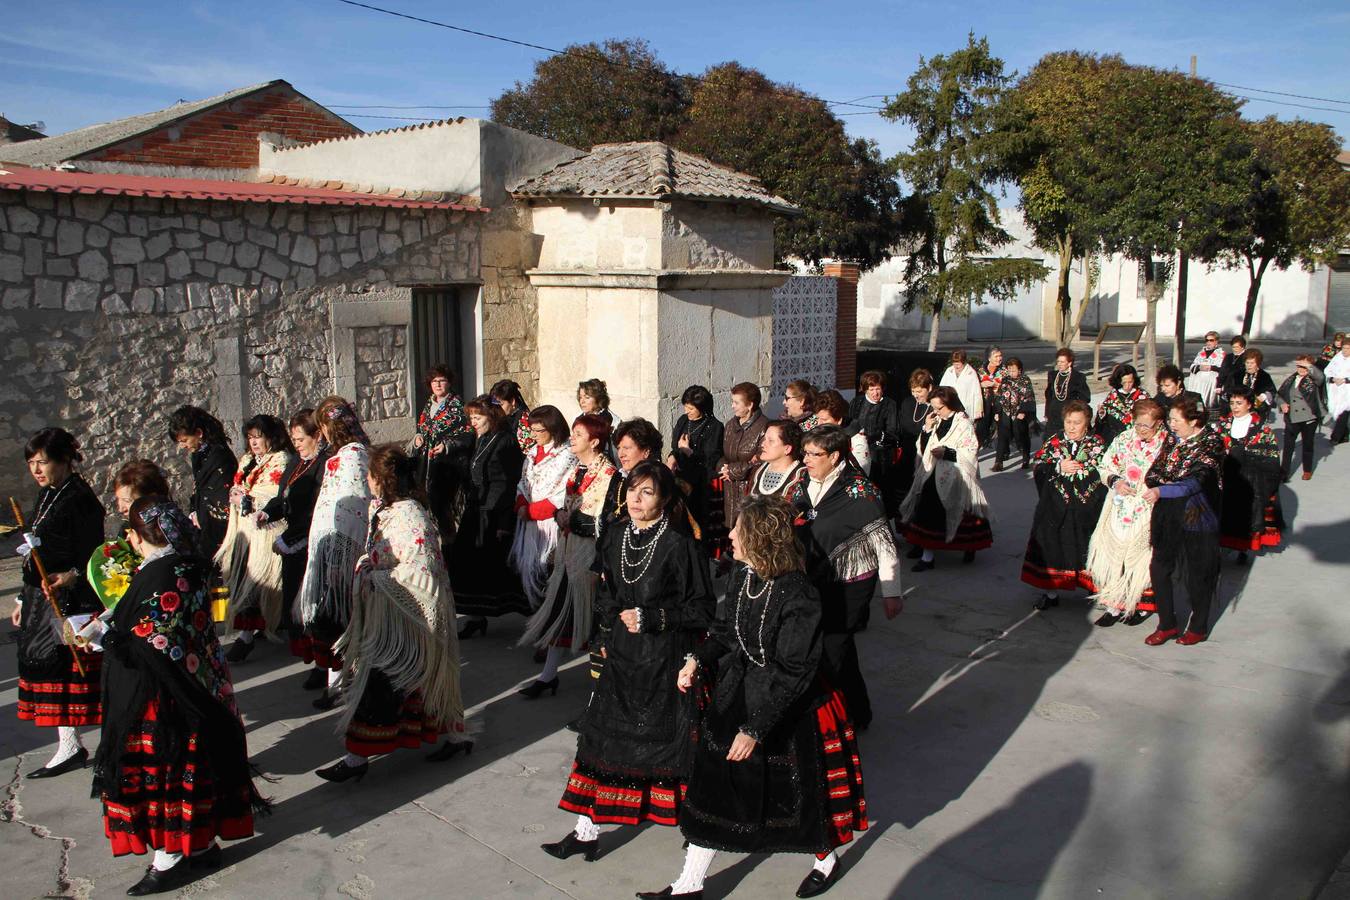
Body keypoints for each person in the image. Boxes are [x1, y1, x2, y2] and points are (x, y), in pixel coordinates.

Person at [648, 496, 869, 900]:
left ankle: (825, 859)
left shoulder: (800, 594)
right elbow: (724, 632)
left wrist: (755, 729)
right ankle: (688, 885)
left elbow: (795, 670)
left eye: (738, 530)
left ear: (761, 539)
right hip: (739, 691)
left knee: (798, 794)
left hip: (790, 707)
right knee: (714, 787)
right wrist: (697, 659)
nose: (729, 535)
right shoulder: (741, 575)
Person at [542, 462, 714, 862]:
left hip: (664, 659)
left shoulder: (680, 543)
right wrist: (605, 630)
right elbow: (608, 592)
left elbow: (704, 610)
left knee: (669, 745)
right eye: (632, 490)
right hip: (621, 655)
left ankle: (695, 825)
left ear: (665, 499)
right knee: (603, 739)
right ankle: (587, 829)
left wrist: (653, 618)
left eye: (647, 493)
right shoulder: (616, 534)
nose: (636, 500)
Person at [94, 497, 266, 895]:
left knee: (169, 776)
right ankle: (201, 845)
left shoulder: (164, 573)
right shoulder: (188, 563)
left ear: (138, 537)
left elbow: (155, 639)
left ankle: (168, 859)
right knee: (194, 768)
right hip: (198, 685)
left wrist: (106, 638)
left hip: (166, 696)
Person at [316, 445, 468, 780]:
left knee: (381, 682)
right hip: (391, 612)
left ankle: (356, 760)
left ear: (383, 478)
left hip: (409, 614)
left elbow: (423, 570)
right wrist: (367, 566)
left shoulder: (409, 515)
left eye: (370, 475)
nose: (367, 481)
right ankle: (455, 736)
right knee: (415, 680)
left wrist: (377, 575)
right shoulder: (385, 510)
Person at [786, 426, 903, 733]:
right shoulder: (801, 485)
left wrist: (892, 592)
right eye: (805, 453)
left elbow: (885, 547)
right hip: (810, 579)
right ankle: (859, 711)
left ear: (835, 456)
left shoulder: (861, 492)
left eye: (814, 454)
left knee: (832, 650)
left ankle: (832, 724)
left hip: (850, 584)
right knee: (840, 649)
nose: (807, 459)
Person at [12, 428, 105, 779]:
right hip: (43, 596)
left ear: (64, 461)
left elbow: (91, 555)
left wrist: (70, 576)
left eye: (43, 462)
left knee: (68, 674)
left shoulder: (79, 499)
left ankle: (84, 746)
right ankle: (69, 744)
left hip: (69, 601)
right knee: (50, 671)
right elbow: (36, 550)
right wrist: (24, 594)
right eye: (31, 463)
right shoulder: (49, 493)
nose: (36, 470)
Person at [518, 415, 616, 698]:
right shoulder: (578, 471)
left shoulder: (608, 475)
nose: (572, 438)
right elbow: (567, 505)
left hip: (589, 558)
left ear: (594, 442)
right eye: (572, 433)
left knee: (594, 626)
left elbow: (600, 519)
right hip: (568, 552)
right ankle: (549, 675)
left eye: (578, 434)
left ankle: (602, 692)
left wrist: (568, 519)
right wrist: (562, 515)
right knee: (561, 612)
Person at [295, 397, 372, 711]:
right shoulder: (340, 456)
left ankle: (342, 684)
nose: (321, 431)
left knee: (340, 620)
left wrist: (342, 558)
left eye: (323, 425)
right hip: (330, 551)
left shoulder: (352, 457)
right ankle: (337, 682)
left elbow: (354, 507)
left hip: (342, 554)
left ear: (331, 426)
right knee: (332, 621)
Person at [1142, 397, 1225, 646]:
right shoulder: (1172, 440)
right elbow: (1154, 472)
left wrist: (1162, 490)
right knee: (1159, 568)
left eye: (1176, 420)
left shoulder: (1212, 443)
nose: (1171, 425)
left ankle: (1198, 626)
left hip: (1196, 515)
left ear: (1194, 421)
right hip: (1168, 514)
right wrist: (1162, 486)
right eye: (1170, 419)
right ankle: (1167, 624)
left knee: (1198, 575)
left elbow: (1195, 482)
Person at [1085, 399, 1169, 628]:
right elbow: (1105, 466)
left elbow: (1176, 477)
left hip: (1150, 507)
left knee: (1142, 558)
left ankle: (1141, 605)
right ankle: (1113, 604)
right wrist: (1115, 481)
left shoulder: (1167, 444)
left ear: (1159, 423)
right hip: (1121, 505)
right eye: (1138, 424)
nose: (1141, 430)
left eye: (1147, 426)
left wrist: (1160, 490)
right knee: (1115, 554)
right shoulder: (1124, 439)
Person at [450, 398, 527, 638]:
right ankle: (475, 617)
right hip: (477, 510)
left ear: (491, 417)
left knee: (497, 568)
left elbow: (507, 483)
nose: (472, 422)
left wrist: (503, 522)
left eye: (477, 417)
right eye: (471, 417)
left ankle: (536, 620)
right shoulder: (482, 437)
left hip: (494, 514)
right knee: (469, 566)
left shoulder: (505, 442)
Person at [219, 414, 293, 661]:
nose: (253, 442)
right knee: (245, 579)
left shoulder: (281, 460)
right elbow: (240, 484)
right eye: (250, 437)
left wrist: (248, 499)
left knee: (259, 582)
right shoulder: (248, 460)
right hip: (245, 532)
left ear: (272, 437)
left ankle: (248, 635)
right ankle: (254, 629)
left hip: (267, 533)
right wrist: (237, 494)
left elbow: (276, 496)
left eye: (258, 437)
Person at [1021, 401, 1108, 610]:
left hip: (1088, 508)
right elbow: (1039, 465)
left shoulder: (1097, 444)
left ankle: (1094, 589)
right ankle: (1051, 593)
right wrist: (1059, 466)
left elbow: (1105, 471)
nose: (1071, 427)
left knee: (1087, 547)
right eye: (1068, 421)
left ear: (1087, 423)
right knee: (1051, 546)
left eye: (1077, 423)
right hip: (1055, 507)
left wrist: (1084, 475)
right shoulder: (1055, 441)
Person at [898, 387, 993, 570]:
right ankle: (927, 555)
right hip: (933, 471)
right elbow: (924, 447)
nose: (936, 412)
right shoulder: (935, 420)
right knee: (927, 509)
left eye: (939, 408)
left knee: (961, 512)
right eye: (934, 407)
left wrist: (947, 452)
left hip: (956, 474)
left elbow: (971, 450)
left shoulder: (963, 423)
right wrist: (926, 429)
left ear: (950, 405)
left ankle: (968, 546)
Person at [511, 405, 577, 610]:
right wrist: (522, 503)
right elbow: (524, 482)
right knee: (530, 571)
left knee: (550, 571)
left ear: (554, 429)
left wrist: (534, 511)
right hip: (530, 524)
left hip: (551, 523)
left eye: (540, 431)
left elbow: (564, 492)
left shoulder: (567, 455)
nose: (534, 435)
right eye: (532, 429)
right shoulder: (532, 453)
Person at [1216, 387, 1284, 564]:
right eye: (1232, 403)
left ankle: (1243, 548)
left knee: (1247, 514)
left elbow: (1271, 457)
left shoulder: (1262, 428)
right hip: (1227, 477)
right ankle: (1224, 544)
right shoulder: (1222, 425)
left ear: (1249, 404)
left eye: (1239, 403)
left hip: (1251, 481)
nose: (1235, 407)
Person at [410, 365, 474, 545]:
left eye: (442, 380)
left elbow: (468, 435)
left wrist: (447, 446)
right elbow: (423, 428)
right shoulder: (429, 404)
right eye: (434, 381)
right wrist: (418, 437)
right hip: (428, 465)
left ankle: (451, 545)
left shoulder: (458, 406)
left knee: (444, 507)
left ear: (449, 383)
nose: (437, 384)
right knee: (429, 504)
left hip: (448, 467)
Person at [167, 406, 238, 559]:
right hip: (204, 522)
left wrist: (204, 515)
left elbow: (220, 494)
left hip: (218, 526)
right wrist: (195, 512)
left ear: (199, 433)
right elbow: (199, 488)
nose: (183, 446)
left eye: (185, 440)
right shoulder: (198, 455)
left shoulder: (219, 457)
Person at [667, 384, 725, 537]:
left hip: (700, 483)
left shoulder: (715, 427)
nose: (687, 412)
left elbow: (711, 457)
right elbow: (675, 445)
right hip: (681, 479)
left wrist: (689, 452)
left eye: (691, 409)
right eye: (686, 407)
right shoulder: (683, 421)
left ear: (702, 407)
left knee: (698, 525)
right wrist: (675, 454)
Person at [847, 370, 901, 512]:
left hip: (880, 455)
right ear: (865, 389)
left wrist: (874, 437)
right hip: (858, 451)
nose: (875, 393)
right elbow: (849, 425)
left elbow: (892, 432)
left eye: (878, 389)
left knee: (881, 489)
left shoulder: (890, 404)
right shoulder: (857, 402)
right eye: (871, 389)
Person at [719, 381, 769, 529]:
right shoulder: (730, 425)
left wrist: (733, 470)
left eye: (736, 402)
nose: (732, 406)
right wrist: (724, 468)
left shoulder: (765, 427)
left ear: (750, 405)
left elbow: (761, 460)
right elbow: (723, 454)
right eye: (732, 401)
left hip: (749, 489)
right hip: (729, 489)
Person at [1277, 355, 1327, 481]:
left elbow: (1321, 377)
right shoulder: (1291, 379)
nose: (1301, 369)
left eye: (1304, 366)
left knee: (1307, 445)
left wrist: (1308, 365)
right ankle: (1284, 473)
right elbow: (1279, 394)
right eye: (1299, 366)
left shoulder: (1314, 380)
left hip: (1309, 418)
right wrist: (1282, 404)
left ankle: (1307, 470)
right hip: (1291, 417)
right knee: (1288, 446)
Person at [896, 369, 935, 503]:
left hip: (927, 453)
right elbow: (903, 426)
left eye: (919, 391)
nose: (916, 395)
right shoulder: (908, 403)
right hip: (907, 452)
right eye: (913, 391)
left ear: (929, 388)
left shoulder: (936, 406)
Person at [992, 356, 1036, 471]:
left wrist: (1023, 411)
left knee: (1022, 435)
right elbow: (999, 396)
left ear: (1019, 369)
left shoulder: (1025, 380)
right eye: (1009, 370)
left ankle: (1025, 458)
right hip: (1006, 411)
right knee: (1002, 436)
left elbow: (1029, 397)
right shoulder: (1005, 380)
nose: (1011, 372)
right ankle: (998, 461)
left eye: (1014, 370)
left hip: (1019, 412)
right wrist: (997, 411)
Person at [813, 389, 871, 474]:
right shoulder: (820, 433)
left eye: (824, 420)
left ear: (839, 420)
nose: (819, 423)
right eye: (817, 418)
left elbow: (860, 471)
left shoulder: (856, 439)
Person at [748, 419, 807, 500]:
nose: (763, 444)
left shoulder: (803, 477)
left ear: (787, 449)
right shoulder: (757, 471)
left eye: (771, 441)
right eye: (764, 439)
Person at [1094, 364, 1146, 446]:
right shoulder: (1113, 396)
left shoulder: (1143, 396)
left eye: (1130, 382)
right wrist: (1102, 414)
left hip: (1136, 439)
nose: (1127, 386)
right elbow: (1103, 420)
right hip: (1114, 438)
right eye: (1124, 382)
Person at [1043, 348, 1091, 438]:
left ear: (1069, 363)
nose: (1059, 364)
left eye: (1062, 362)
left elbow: (1085, 398)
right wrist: (1047, 412)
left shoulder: (1077, 377)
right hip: (1054, 415)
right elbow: (1049, 396)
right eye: (1058, 362)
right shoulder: (1052, 375)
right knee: (1051, 441)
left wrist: (1076, 411)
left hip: (1069, 414)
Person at [112, 460, 173, 527]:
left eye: (127, 501)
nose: (121, 509)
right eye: (118, 499)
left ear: (151, 500)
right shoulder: (126, 529)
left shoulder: (167, 530)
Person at [1228, 349, 1278, 423]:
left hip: (1257, 410)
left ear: (1257, 363)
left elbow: (1272, 391)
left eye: (1252, 363)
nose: (1249, 365)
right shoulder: (1237, 374)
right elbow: (1228, 390)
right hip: (1239, 409)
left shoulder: (1264, 376)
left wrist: (1264, 396)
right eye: (1247, 362)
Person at [940, 349, 984, 423]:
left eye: (958, 364)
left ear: (963, 362)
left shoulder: (971, 373)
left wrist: (978, 410)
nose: (956, 366)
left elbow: (977, 393)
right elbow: (941, 388)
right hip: (949, 406)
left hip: (965, 407)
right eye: (954, 363)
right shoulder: (949, 371)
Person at [491, 379, 533, 453]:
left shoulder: (525, 421)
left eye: (501, 405)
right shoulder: (502, 417)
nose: (496, 409)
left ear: (512, 401)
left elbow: (526, 453)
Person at [976, 346, 1006, 446]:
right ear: (989, 358)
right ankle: (982, 443)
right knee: (981, 427)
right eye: (996, 356)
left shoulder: (1005, 371)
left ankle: (1002, 452)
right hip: (985, 403)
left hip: (1000, 403)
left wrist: (995, 384)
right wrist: (981, 384)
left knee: (1002, 430)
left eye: (1000, 356)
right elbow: (973, 385)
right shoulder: (980, 370)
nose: (999, 358)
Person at [1188, 331, 1227, 409]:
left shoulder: (1221, 354)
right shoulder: (1201, 353)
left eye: (1211, 340)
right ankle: (1199, 409)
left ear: (1216, 341)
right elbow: (1192, 366)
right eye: (1207, 340)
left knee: (1207, 400)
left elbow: (1224, 369)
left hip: (1211, 381)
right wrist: (1199, 367)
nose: (1208, 342)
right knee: (1198, 400)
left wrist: (1211, 368)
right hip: (1199, 381)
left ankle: (1208, 408)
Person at [1326, 341, 1350, 445]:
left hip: (1347, 390)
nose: (1345, 350)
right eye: (1344, 348)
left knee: (1343, 412)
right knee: (1336, 410)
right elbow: (1328, 370)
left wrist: (1345, 380)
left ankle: (1335, 437)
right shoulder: (1337, 357)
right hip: (1336, 389)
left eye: (1348, 348)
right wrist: (1333, 378)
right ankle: (1344, 435)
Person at [1215, 335, 1248, 406]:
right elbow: (1222, 371)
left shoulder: (1247, 357)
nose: (1234, 349)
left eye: (1237, 347)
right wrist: (1219, 385)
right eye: (1233, 347)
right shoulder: (1229, 356)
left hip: (1240, 386)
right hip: (1227, 386)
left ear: (1242, 347)